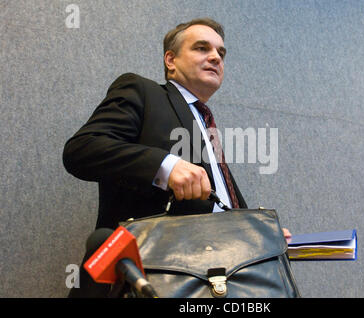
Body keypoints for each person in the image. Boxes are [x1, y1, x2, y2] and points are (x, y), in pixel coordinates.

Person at [63, 18, 290, 297]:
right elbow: (82, 149)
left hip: (218, 282)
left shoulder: (207, 126)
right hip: (149, 277)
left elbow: (218, 207)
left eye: (221, 52)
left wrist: (259, 235)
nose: (215, 57)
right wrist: (166, 166)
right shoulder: (141, 91)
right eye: (201, 48)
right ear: (170, 60)